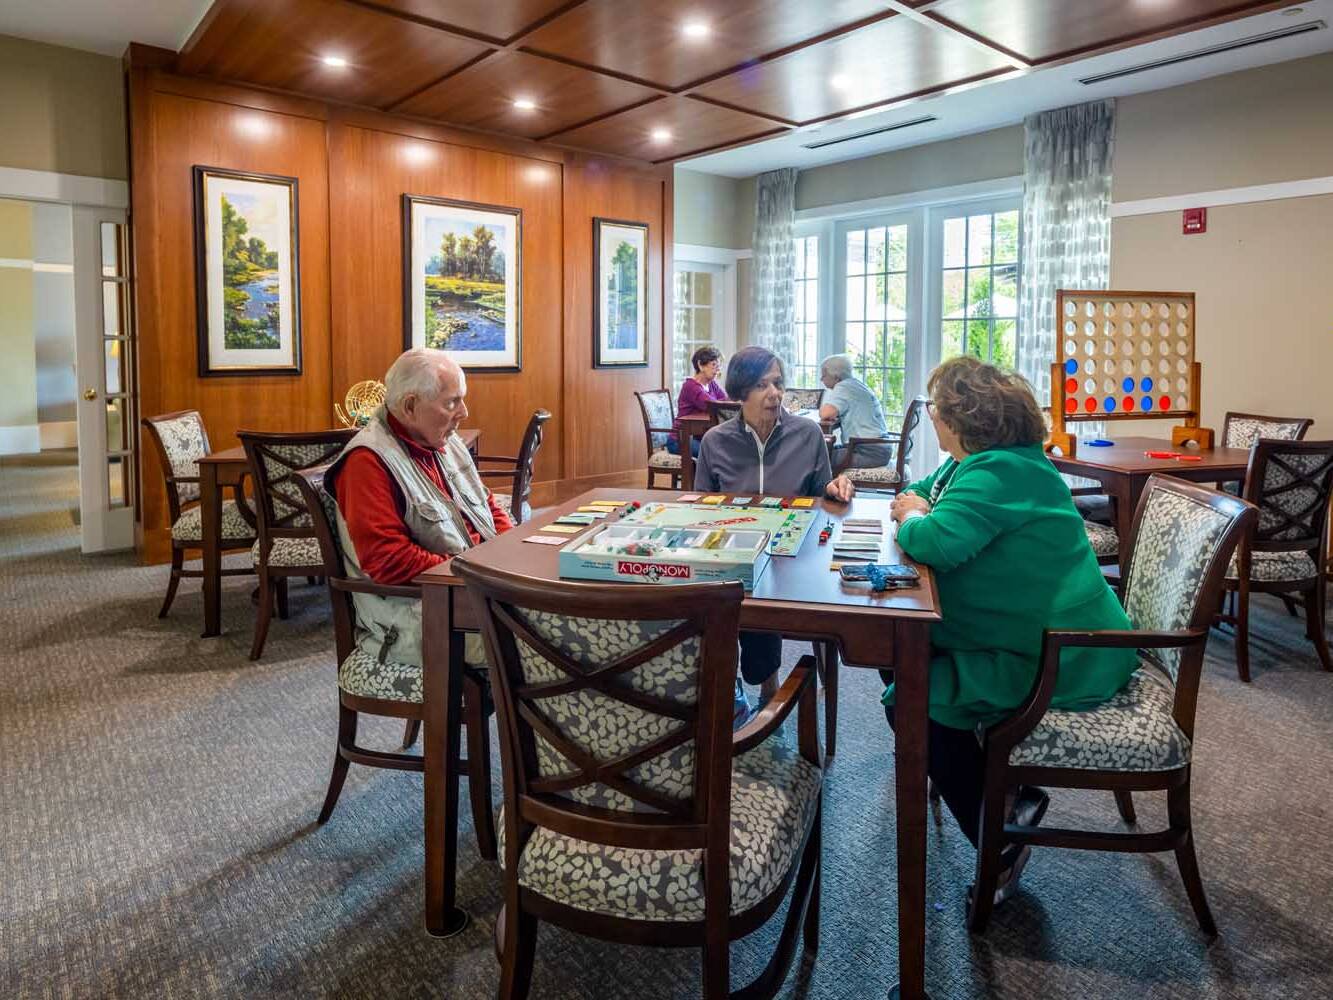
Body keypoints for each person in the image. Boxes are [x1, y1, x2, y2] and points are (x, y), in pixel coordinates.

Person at [885, 355, 1137, 909]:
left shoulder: (1003, 471)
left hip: (1063, 653)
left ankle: (998, 843)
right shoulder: (974, 464)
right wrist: (916, 508)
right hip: (1032, 634)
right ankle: (998, 798)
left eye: (935, 407)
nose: (930, 415)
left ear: (960, 417)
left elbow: (934, 541)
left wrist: (911, 516)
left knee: (912, 694)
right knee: (904, 656)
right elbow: (923, 494)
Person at [694, 345, 856, 725]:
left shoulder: (808, 434)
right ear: (740, 392)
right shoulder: (716, 441)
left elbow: (823, 494)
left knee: (763, 584)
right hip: (733, 547)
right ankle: (733, 686)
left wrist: (835, 486)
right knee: (714, 591)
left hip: (793, 552)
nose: (774, 393)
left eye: (778, 383)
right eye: (762, 384)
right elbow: (700, 508)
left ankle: (766, 688)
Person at [326, 348, 514, 667]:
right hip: (420, 615)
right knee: (550, 640)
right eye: (452, 402)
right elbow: (390, 562)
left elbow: (486, 505)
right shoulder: (367, 462)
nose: (464, 412)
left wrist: (510, 558)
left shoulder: (443, 440)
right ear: (410, 406)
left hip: (471, 590)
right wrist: (477, 572)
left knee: (566, 617)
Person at [818, 354, 891, 470]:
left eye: (824, 375)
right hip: (879, 448)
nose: (821, 379)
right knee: (821, 452)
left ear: (836, 376)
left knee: (816, 458)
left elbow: (825, 413)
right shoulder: (856, 384)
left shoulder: (844, 387)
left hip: (868, 452)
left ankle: (828, 488)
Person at [667, 345, 727, 457]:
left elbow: (725, 403)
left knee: (727, 450)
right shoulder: (691, 386)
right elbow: (712, 406)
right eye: (714, 365)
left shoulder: (711, 384)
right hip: (680, 440)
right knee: (713, 454)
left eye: (719, 366)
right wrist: (724, 401)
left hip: (699, 436)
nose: (717, 369)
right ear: (700, 365)